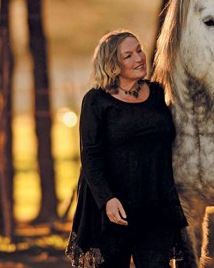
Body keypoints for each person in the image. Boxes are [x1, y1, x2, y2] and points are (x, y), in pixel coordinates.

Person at [65, 29, 187, 268]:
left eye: (139, 50)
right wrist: (107, 199)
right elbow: (90, 156)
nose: (139, 58)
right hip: (113, 209)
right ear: (112, 65)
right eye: (128, 56)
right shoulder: (96, 101)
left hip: (155, 205)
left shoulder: (159, 93)